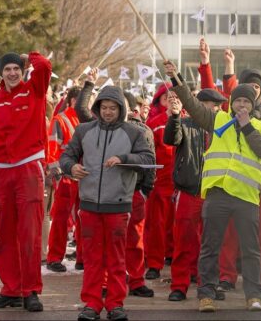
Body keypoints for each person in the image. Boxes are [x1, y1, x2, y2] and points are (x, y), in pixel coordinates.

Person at [164, 60, 261, 313]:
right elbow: (192, 105)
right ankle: (206, 295)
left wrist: (246, 126)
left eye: (246, 102)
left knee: (251, 250)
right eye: (238, 101)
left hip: (246, 197)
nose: (242, 105)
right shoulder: (217, 120)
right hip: (217, 194)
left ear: (253, 105)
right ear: (231, 103)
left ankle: (253, 296)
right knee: (210, 247)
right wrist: (176, 78)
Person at [60, 86, 155, 321]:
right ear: (97, 108)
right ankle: (92, 304)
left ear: (121, 109)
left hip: (118, 204)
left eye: (113, 108)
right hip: (89, 205)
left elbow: (147, 158)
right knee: (92, 259)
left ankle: (115, 304)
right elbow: (66, 156)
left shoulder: (133, 132)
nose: (108, 112)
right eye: (104, 107)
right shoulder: (84, 130)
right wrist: (71, 167)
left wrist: (123, 159)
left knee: (116, 258)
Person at [0, 52, 51, 312]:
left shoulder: (34, 91)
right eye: (7, 69)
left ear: (23, 70)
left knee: (29, 234)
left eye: (16, 69)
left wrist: (29, 57)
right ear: (1, 73)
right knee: (5, 235)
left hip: (28, 168)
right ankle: (11, 289)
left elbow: (45, 66)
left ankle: (30, 291)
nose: (12, 73)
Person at [165, 88, 227, 302]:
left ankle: (209, 285)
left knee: (212, 243)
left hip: (215, 192)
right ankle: (179, 286)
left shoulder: (223, 128)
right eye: (213, 105)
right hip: (189, 191)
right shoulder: (184, 124)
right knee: (184, 241)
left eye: (219, 106)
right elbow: (171, 138)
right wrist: (174, 116)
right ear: (199, 106)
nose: (217, 109)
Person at [46, 87, 82, 273]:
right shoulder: (60, 120)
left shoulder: (88, 119)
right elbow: (52, 148)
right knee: (61, 218)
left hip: (83, 177)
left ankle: (82, 257)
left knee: (84, 219)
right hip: (66, 177)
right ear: (73, 101)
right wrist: (57, 174)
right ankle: (54, 258)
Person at [144, 84, 177, 280]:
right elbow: (148, 153)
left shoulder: (189, 121)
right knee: (157, 224)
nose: (172, 100)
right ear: (160, 101)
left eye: (176, 97)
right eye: (167, 98)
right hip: (160, 181)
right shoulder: (154, 124)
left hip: (181, 182)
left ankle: (174, 257)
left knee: (179, 224)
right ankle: (154, 263)